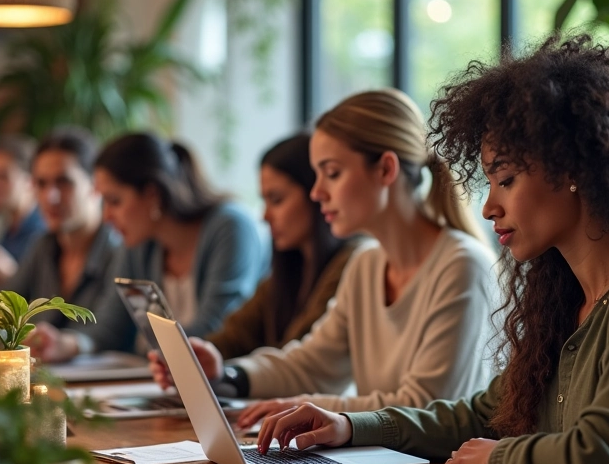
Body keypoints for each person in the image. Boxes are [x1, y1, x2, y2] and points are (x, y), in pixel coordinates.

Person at [256, 35, 609, 464]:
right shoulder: (562, 296)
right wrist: (350, 427)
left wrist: (499, 460)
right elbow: (486, 414)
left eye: (506, 179)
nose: (489, 206)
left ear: (573, 167)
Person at [167, 88, 498, 428]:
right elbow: (310, 364)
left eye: (333, 173)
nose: (316, 192)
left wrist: (306, 405)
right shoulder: (367, 264)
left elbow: (425, 407)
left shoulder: (463, 266)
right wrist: (229, 374)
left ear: (385, 170)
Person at [74, 132, 267, 356]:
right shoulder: (138, 240)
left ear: (152, 194)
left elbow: (217, 329)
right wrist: (70, 343)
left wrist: (160, 356)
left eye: (114, 201)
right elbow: (111, 325)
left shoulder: (230, 227)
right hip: (167, 380)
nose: (106, 216)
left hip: (229, 381)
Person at [203, 133, 358, 357]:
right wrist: (196, 356)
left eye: (276, 200)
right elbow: (234, 336)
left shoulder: (353, 261)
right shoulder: (290, 267)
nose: (265, 216)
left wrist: (234, 374)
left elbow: (298, 357)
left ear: (315, 195)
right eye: (264, 201)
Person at [8, 127, 122, 361]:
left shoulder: (120, 248)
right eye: (41, 184)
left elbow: (109, 331)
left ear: (95, 185)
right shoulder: (42, 246)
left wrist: (67, 344)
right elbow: (5, 306)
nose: (51, 197)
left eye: (64, 182)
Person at [0, 134, 46, 290]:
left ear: (30, 180)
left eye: (2, 176)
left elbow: (43, 298)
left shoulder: (44, 233)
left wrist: (7, 270)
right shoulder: (10, 227)